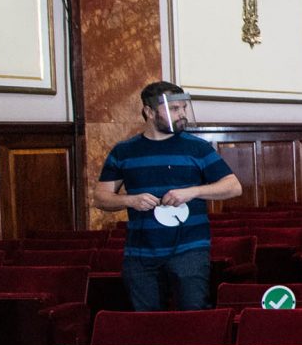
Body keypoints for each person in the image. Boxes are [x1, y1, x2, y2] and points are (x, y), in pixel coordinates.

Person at [92, 81, 242, 310]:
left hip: (189, 249)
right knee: (146, 321)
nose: (182, 114)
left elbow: (233, 186)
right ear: (149, 112)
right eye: (173, 109)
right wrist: (130, 200)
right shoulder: (124, 151)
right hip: (141, 252)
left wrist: (193, 191)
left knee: (193, 315)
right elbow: (101, 197)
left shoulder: (197, 148)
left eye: (183, 108)